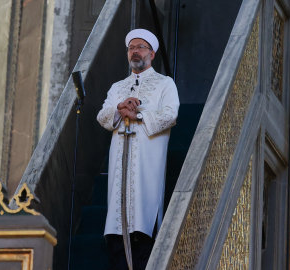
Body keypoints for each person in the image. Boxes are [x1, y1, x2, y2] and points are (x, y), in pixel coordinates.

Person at [97, 29, 180, 270]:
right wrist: (119, 108)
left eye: (141, 47)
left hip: (147, 167)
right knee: (116, 230)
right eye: (131, 48)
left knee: (142, 230)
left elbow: (170, 115)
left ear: (152, 54)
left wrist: (139, 115)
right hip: (119, 170)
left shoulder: (165, 83)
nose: (135, 51)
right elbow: (103, 116)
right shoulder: (117, 87)